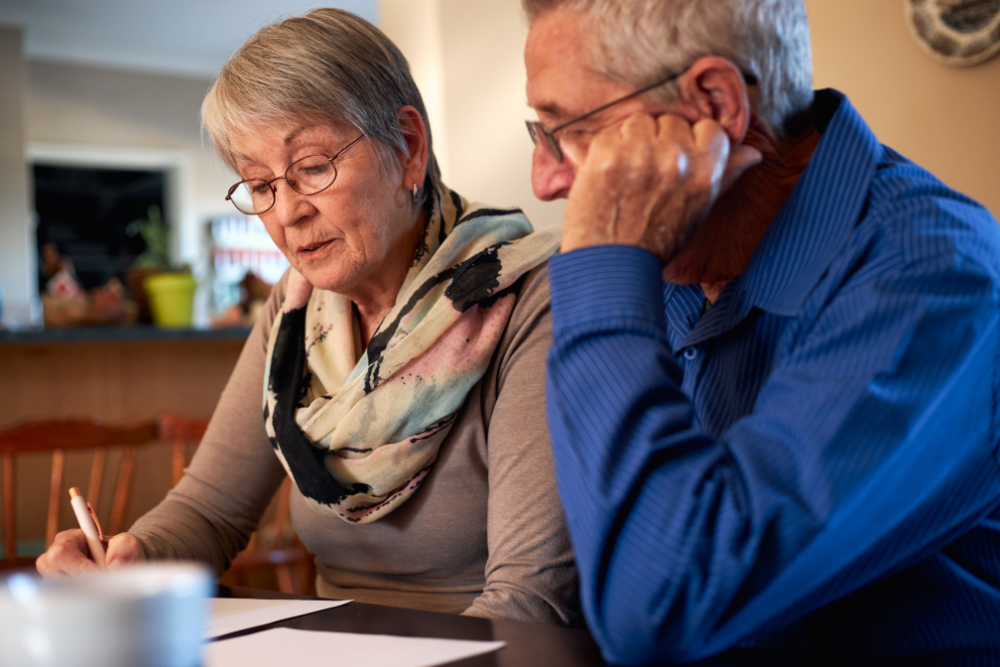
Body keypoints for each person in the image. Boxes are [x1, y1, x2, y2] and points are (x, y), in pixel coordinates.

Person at [37, 8, 580, 627]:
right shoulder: (297, 310)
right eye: (259, 184)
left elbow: (529, 601)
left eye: (313, 167)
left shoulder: (530, 298)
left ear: (407, 147)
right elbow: (211, 510)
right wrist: (135, 558)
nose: (287, 213)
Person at [524, 0, 1000, 662]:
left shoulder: (937, 274)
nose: (544, 179)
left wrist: (606, 267)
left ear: (715, 103)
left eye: (569, 128)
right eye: (538, 132)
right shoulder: (673, 264)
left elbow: (660, 605)